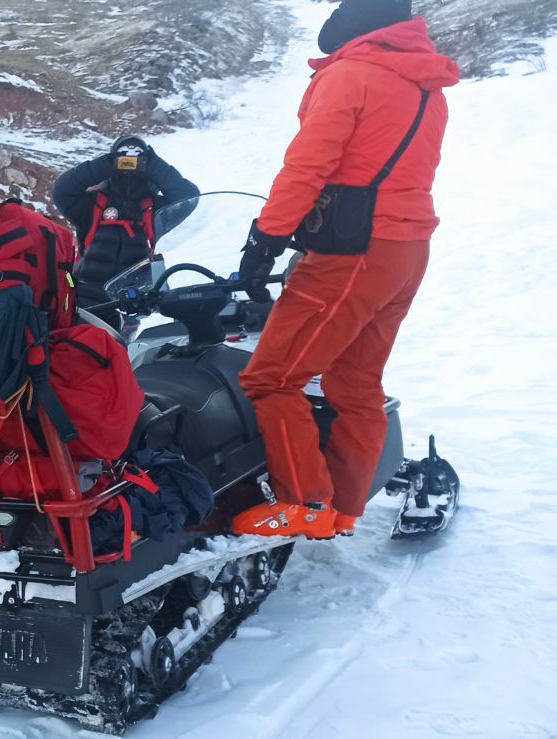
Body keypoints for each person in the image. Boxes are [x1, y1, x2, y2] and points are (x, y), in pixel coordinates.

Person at [232, 0, 457, 538]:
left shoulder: (352, 75)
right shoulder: (426, 84)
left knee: (272, 377)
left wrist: (265, 238)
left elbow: (308, 165)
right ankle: (342, 509)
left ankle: (306, 506)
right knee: (355, 383)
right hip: (406, 249)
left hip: (353, 253)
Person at [52, 135, 199, 333]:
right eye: (123, 157)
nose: (129, 162)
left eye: (138, 158)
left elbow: (188, 197)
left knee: (120, 353)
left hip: (131, 301)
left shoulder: (154, 209)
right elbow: (62, 189)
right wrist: (106, 164)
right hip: (86, 293)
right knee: (78, 343)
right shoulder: (92, 204)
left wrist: (153, 164)